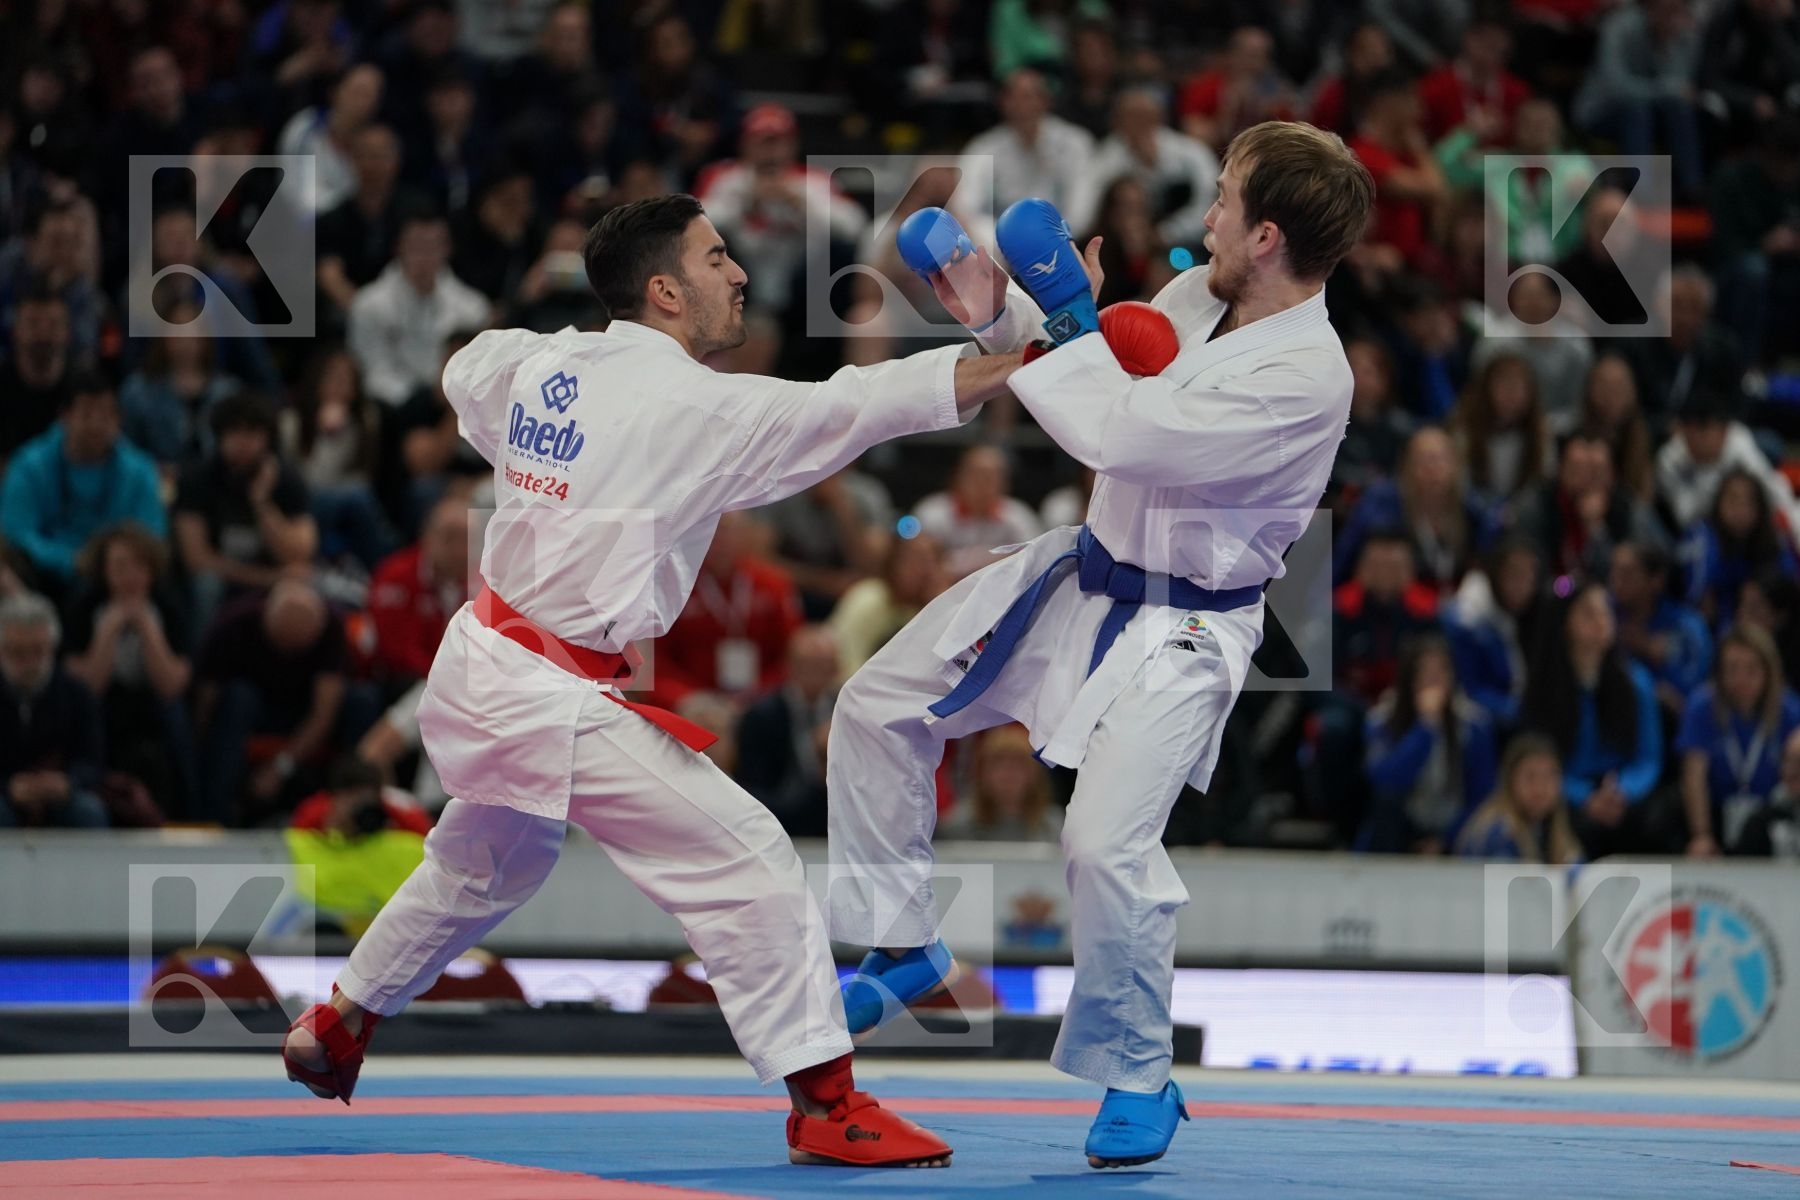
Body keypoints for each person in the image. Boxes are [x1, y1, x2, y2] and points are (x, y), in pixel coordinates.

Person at [280, 193, 1025, 1168]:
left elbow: (466, 368)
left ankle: (340, 1020)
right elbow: (851, 406)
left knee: (491, 861)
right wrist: (1013, 363)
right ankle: (826, 1104)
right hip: (542, 688)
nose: (741, 274)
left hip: (482, 663)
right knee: (748, 853)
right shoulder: (694, 404)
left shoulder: (538, 360)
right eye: (718, 259)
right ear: (666, 289)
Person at [826, 121, 1374, 1167]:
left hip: (1188, 626)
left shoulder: (1308, 376)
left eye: (1221, 199)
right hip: (1084, 572)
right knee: (876, 704)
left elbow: (1125, 432)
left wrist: (1067, 322)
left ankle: (1140, 1076)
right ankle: (900, 944)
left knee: (1101, 846)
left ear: (1264, 237)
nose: (1202, 215)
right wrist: (1000, 307)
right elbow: (1088, 378)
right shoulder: (1193, 299)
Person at [1521, 582, 1666, 858]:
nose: (1600, 622)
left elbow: (1649, 758)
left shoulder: (1636, 683)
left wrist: (1622, 790)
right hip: (1565, 792)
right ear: (1565, 622)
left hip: (1619, 792)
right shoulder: (1542, 689)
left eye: (1605, 612)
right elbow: (1535, 757)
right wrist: (1583, 796)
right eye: (1588, 613)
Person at [62, 523, 195, 817]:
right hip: (103, 706)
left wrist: (148, 629)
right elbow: (86, 688)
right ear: (104, 571)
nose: (130, 576)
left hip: (153, 709)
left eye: (139, 566)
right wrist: (109, 630)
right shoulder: (84, 609)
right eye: (120, 566)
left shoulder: (168, 608)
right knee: (87, 714)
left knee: (175, 716)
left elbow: (172, 685)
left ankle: (187, 811)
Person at [0, 372, 167, 599]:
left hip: (118, 573)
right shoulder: (28, 466)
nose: (97, 424)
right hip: (45, 574)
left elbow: (151, 533)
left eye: (107, 415)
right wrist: (70, 561)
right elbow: (17, 532)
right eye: (87, 414)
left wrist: (110, 564)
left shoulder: (140, 470)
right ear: (64, 417)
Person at [1360, 632, 1499, 854]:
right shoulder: (1381, 719)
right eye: (1425, 671)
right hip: (1401, 828)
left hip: (1455, 830)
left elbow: (1482, 795)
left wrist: (1446, 839)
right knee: (1385, 805)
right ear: (1409, 677)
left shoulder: (1475, 724)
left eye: (1442, 670)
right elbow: (1386, 781)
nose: (1434, 679)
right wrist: (1425, 727)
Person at [1675, 624, 1800, 856]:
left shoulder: (1790, 710)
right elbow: (1694, 776)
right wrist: (1701, 834)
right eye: (1732, 669)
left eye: (1751, 670)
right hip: (1718, 808)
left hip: (1769, 812)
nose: (1741, 680)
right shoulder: (1702, 706)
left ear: (1768, 672)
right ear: (1720, 672)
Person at [0, 592, 109, 829]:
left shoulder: (76, 694)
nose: (29, 662)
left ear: (52, 647)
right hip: (6, 792)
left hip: (62, 793)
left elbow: (93, 760)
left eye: (38, 651)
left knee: (88, 812)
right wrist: (9, 786)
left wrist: (67, 782)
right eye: (18, 653)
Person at [734, 624, 839, 837]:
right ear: (789, 666)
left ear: (836, 669)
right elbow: (753, 793)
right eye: (808, 666)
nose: (816, 675)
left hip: (837, 827)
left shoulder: (847, 712)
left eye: (823, 667)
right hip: (779, 825)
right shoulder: (761, 716)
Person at [912, 444, 1045, 580]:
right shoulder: (932, 512)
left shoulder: (1019, 517)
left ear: (1005, 483)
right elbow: (917, 562)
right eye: (975, 475)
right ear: (958, 476)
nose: (981, 483)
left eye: (990, 477)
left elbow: (1034, 561)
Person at [1454, 732, 1584, 863]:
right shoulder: (1497, 834)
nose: (1539, 788)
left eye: (1548, 777)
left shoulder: (1556, 833)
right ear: (1510, 781)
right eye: (1530, 777)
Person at [939, 724, 1062, 842]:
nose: (1008, 775)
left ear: (1034, 775)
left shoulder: (1054, 829)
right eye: (998, 765)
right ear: (981, 773)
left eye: (1018, 766)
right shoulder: (955, 827)